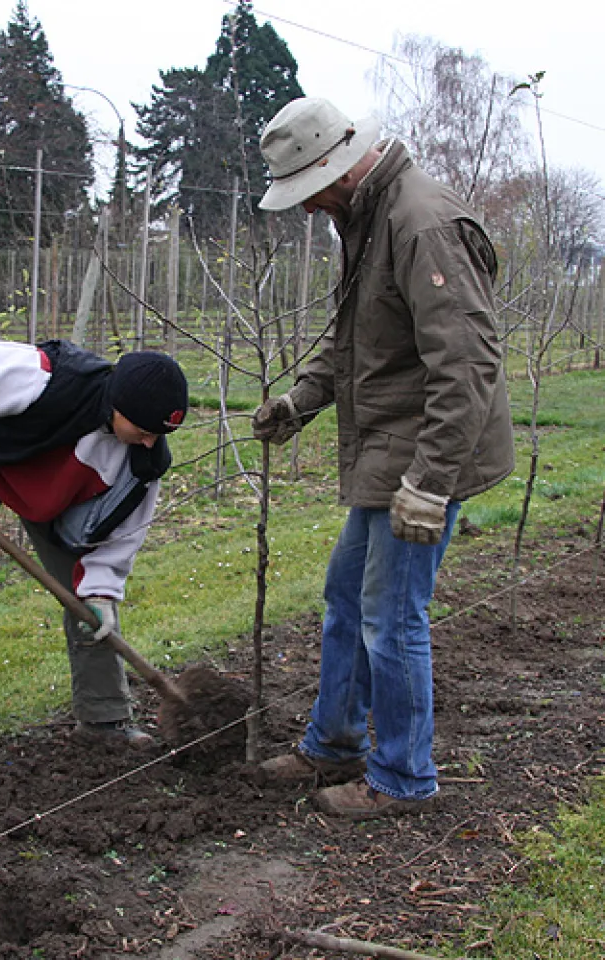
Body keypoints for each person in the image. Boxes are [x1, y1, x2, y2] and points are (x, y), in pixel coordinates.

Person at [252, 98, 514, 819]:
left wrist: (429, 485)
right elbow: (353, 339)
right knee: (347, 598)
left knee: (391, 616)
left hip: (427, 453)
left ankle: (403, 776)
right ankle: (334, 741)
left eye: (309, 194)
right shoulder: (366, 221)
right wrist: (298, 402)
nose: (308, 212)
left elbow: (465, 366)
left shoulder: (421, 223)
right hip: (388, 448)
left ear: (335, 168)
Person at [0, 336, 188, 793]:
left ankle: (105, 717)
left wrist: (103, 591)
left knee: (86, 603)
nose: (150, 440)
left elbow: (121, 534)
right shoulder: (43, 376)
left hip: (48, 499)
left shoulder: (144, 459)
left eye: (159, 434)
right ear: (119, 405)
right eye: (144, 428)